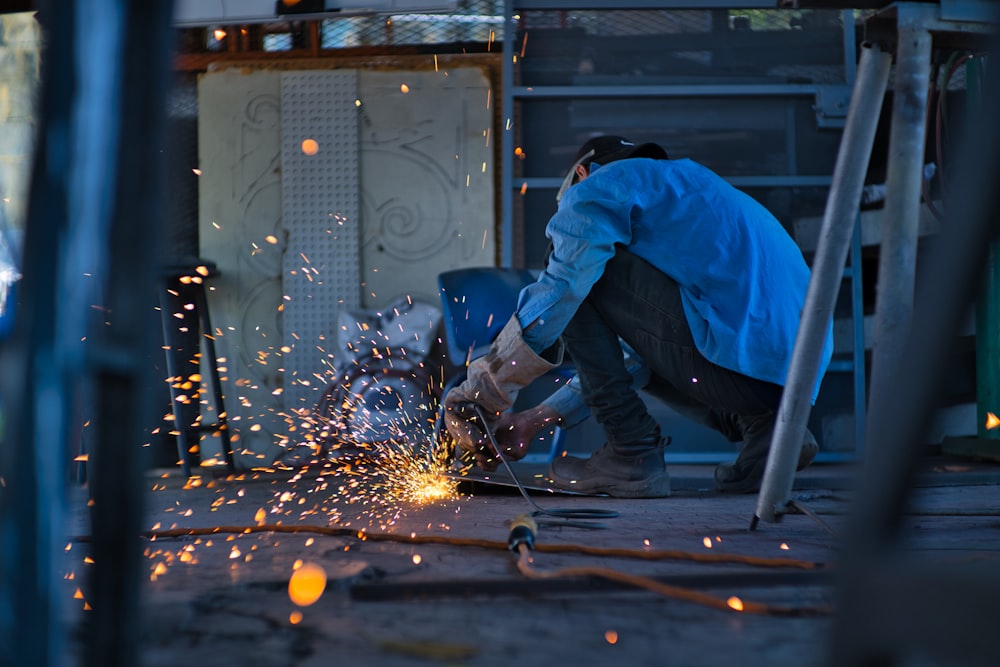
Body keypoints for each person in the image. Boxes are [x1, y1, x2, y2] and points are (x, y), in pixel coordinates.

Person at [444, 135, 833, 497]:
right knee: (594, 274)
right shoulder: (696, 193)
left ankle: (631, 453)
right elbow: (645, 355)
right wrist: (535, 419)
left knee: (578, 269)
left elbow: (564, 287)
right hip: (791, 389)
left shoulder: (602, 184)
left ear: (581, 173)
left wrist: (485, 389)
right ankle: (777, 434)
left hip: (741, 372)